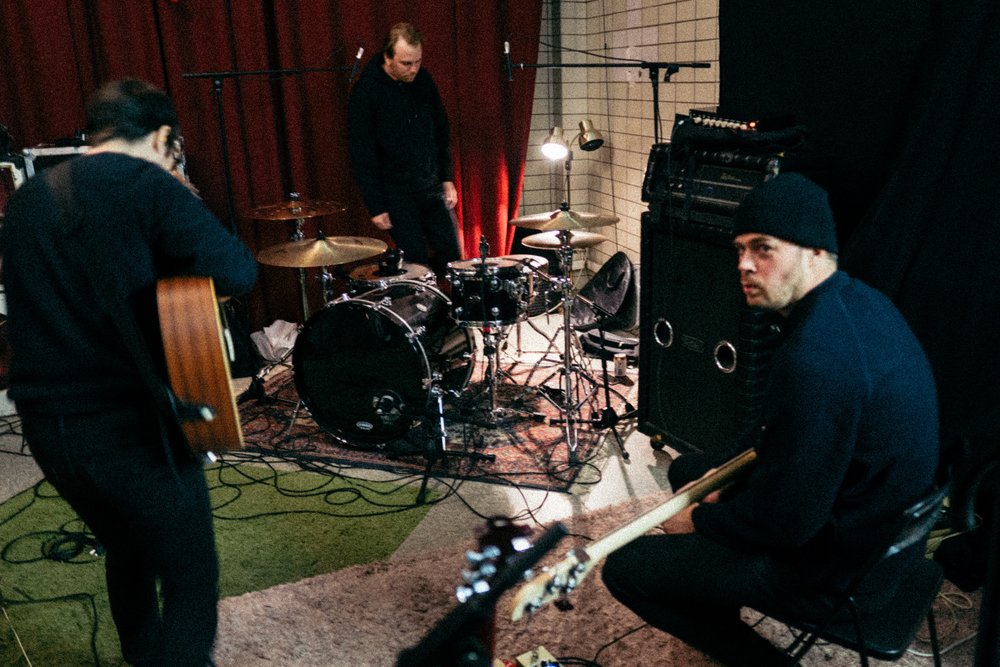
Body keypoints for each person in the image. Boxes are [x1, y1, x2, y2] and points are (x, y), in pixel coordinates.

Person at [601, 172, 940, 665]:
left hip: (842, 574)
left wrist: (700, 520)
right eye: (740, 249)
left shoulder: (818, 358)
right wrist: (719, 484)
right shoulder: (857, 303)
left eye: (763, 248)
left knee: (626, 568)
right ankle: (714, 596)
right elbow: (778, 440)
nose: (743, 264)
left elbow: (787, 524)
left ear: (816, 250)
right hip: (881, 536)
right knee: (688, 470)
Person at [0, 79, 257, 666]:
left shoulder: (30, 198)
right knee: (191, 577)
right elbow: (237, 271)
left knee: (128, 549)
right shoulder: (147, 185)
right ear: (163, 137)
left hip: (44, 426)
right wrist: (177, 201)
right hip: (127, 424)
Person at [347, 21, 462, 279]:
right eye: (406, 63)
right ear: (388, 58)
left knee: (452, 256)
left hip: (430, 185)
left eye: (418, 62)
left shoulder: (423, 80)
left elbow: (441, 130)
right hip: (396, 193)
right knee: (415, 262)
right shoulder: (366, 91)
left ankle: (450, 305)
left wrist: (446, 178)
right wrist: (375, 205)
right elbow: (362, 152)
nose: (414, 69)